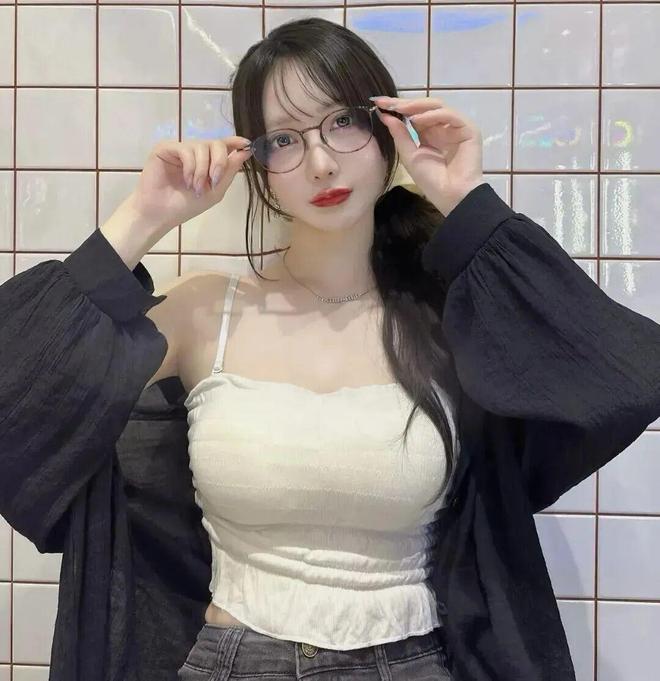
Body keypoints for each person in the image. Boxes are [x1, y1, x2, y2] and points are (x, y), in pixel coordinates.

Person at [1, 16, 660, 681]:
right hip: (235, 662)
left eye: (343, 122)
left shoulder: (448, 317)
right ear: (259, 168)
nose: (321, 163)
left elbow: (623, 379)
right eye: (285, 139)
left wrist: (468, 203)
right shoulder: (204, 312)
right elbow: (18, 395)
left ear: (386, 129)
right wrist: (140, 219)